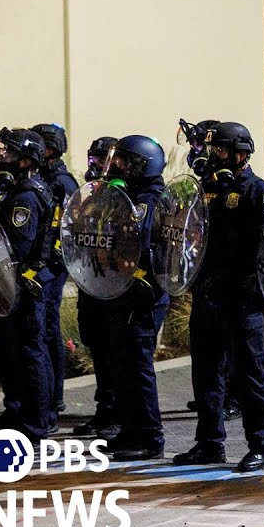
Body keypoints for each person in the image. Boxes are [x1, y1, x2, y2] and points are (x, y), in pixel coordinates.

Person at [173, 122, 264, 472]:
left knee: (249, 374)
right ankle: (209, 442)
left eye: (219, 150)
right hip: (208, 295)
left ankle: (261, 446)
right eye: (211, 150)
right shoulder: (206, 189)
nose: (213, 156)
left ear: (240, 154)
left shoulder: (257, 192)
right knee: (206, 373)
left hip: (242, 298)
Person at [0, 128, 55, 440]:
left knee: (29, 352)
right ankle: (16, 411)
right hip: (9, 287)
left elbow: (18, 249)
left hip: (24, 286)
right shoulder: (14, 192)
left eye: (9, 152)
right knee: (10, 351)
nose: (2, 157)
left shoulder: (26, 198)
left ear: (25, 161)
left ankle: (36, 423)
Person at [100, 135, 172, 461]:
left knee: (138, 366)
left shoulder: (149, 199)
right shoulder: (129, 196)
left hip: (144, 294)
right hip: (125, 291)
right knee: (122, 364)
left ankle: (150, 438)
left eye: (125, 161)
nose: (118, 166)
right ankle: (130, 430)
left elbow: (139, 241)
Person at [179, 118, 240, 419]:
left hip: (229, 280)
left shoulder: (237, 186)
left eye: (201, 146)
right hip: (205, 277)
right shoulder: (206, 184)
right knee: (207, 346)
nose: (198, 152)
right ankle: (211, 396)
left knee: (229, 343)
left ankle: (232, 397)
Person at [72, 136, 121, 440]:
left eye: (102, 160)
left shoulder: (119, 196)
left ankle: (116, 415)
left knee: (113, 352)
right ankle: (104, 411)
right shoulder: (90, 194)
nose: (96, 165)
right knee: (98, 350)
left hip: (111, 285)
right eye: (93, 159)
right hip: (90, 281)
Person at [30, 123, 78, 417]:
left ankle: (53, 398)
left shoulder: (61, 182)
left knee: (48, 330)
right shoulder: (43, 178)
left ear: (48, 149)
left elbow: (68, 227)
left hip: (51, 267)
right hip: (42, 264)